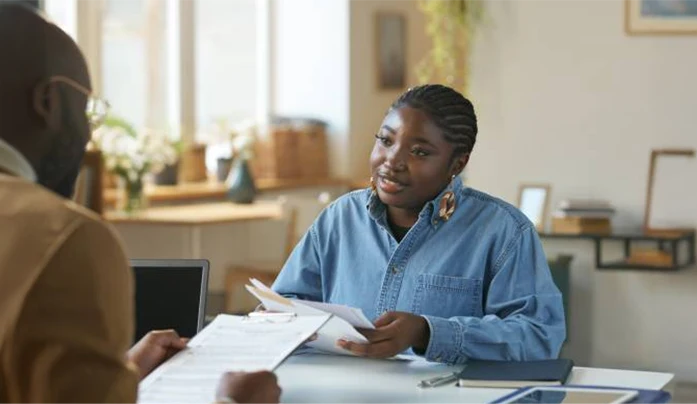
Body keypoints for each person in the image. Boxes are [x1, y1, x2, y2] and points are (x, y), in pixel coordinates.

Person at [0, 4, 280, 404]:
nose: (87, 136)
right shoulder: (65, 239)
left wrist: (123, 374)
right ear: (49, 102)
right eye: (86, 111)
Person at [272, 84, 566, 364]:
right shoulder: (339, 218)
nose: (392, 161)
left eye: (420, 152)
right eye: (386, 141)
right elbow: (287, 301)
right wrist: (275, 317)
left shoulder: (503, 232)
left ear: (457, 165)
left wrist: (427, 332)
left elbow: (538, 337)